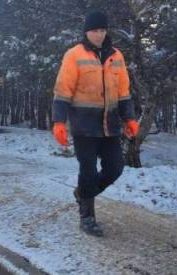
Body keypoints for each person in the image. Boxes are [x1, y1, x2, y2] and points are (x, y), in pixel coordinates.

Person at [51, 10, 139, 237]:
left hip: (109, 125)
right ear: (86, 32)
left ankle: (83, 194)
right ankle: (87, 217)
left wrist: (129, 118)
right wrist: (59, 121)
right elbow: (62, 91)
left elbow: (123, 92)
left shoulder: (116, 56)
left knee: (115, 168)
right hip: (84, 126)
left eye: (102, 30)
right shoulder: (74, 55)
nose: (99, 35)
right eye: (94, 31)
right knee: (88, 170)